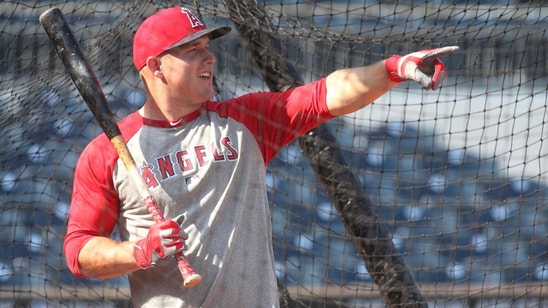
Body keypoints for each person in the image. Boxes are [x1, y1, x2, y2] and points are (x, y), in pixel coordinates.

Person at [63, 6, 459, 307]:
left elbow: (328, 94)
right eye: (193, 50)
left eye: (208, 47)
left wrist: (395, 67)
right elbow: (79, 252)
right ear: (156, 67)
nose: (210, 58)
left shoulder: (244, 122)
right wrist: (138, 251)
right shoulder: (107, 152)